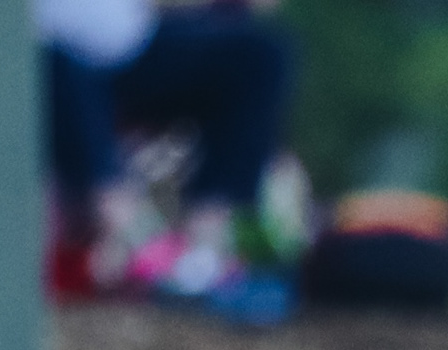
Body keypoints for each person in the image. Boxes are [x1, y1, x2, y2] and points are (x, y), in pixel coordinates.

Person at [36, 0, 296, 319]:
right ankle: (123, 233)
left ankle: (205, 248)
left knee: (259, 57)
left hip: (130, 45)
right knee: (55, 60)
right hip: (49, 58)